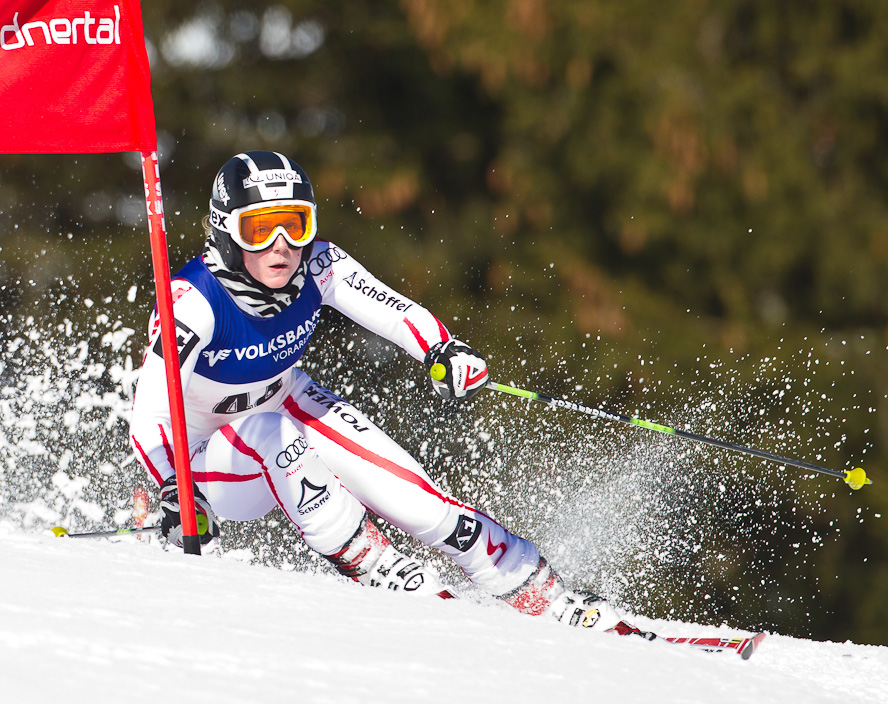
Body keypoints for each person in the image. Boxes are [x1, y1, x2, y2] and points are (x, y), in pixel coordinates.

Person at [129, 150, 652, 637]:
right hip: (203, 460)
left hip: (285, 402)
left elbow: (392, 310)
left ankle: (544, 593)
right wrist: (177, 488)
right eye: (260, 229)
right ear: (226, 230)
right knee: (271, 432)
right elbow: (149, 414)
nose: (282, 245)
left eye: (296, 224)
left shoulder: (318, 265)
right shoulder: (193, 303)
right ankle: (376, 564)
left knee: (419, 504)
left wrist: (442, 349)